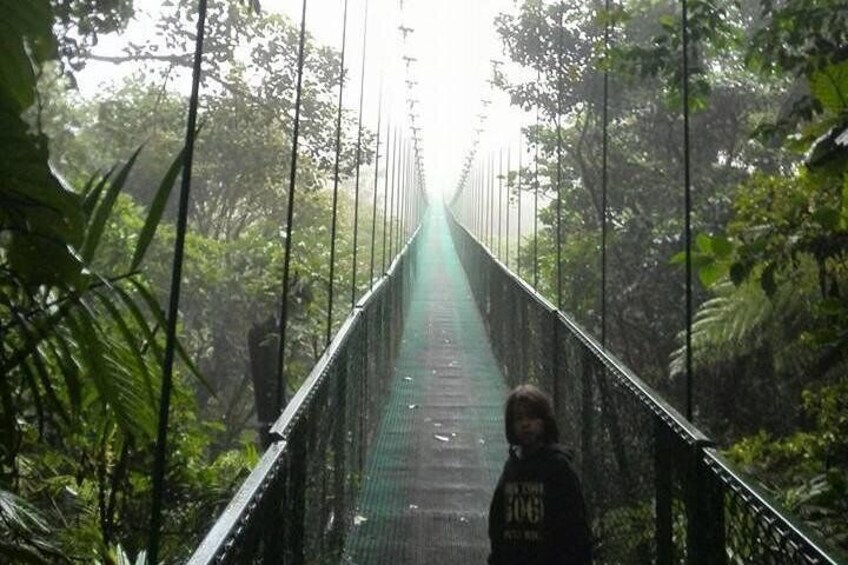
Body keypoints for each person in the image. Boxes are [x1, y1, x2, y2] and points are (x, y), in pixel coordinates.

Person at [488, 384, 592, 564]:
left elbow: (576, 527)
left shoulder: (558, 468)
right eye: (519, 418)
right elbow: (497, 522)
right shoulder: (512, 468)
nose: (525, 424)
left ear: (544, 421)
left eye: (532, 416)